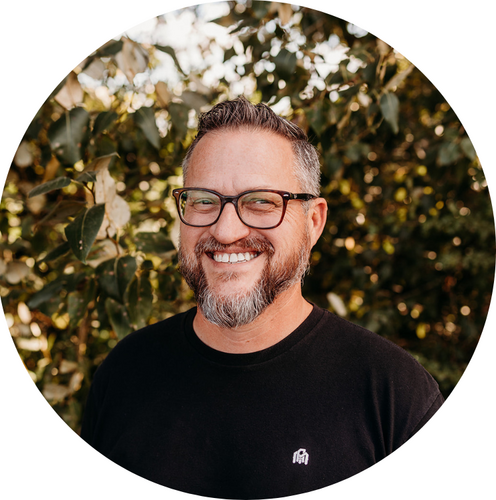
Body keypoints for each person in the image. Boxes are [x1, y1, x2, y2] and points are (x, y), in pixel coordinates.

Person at [81, 97, 443, 498]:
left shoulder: (392, 394)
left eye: (261, 201)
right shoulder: (125, 374)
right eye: (204, 200)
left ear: (313, 222)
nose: (226, 231)